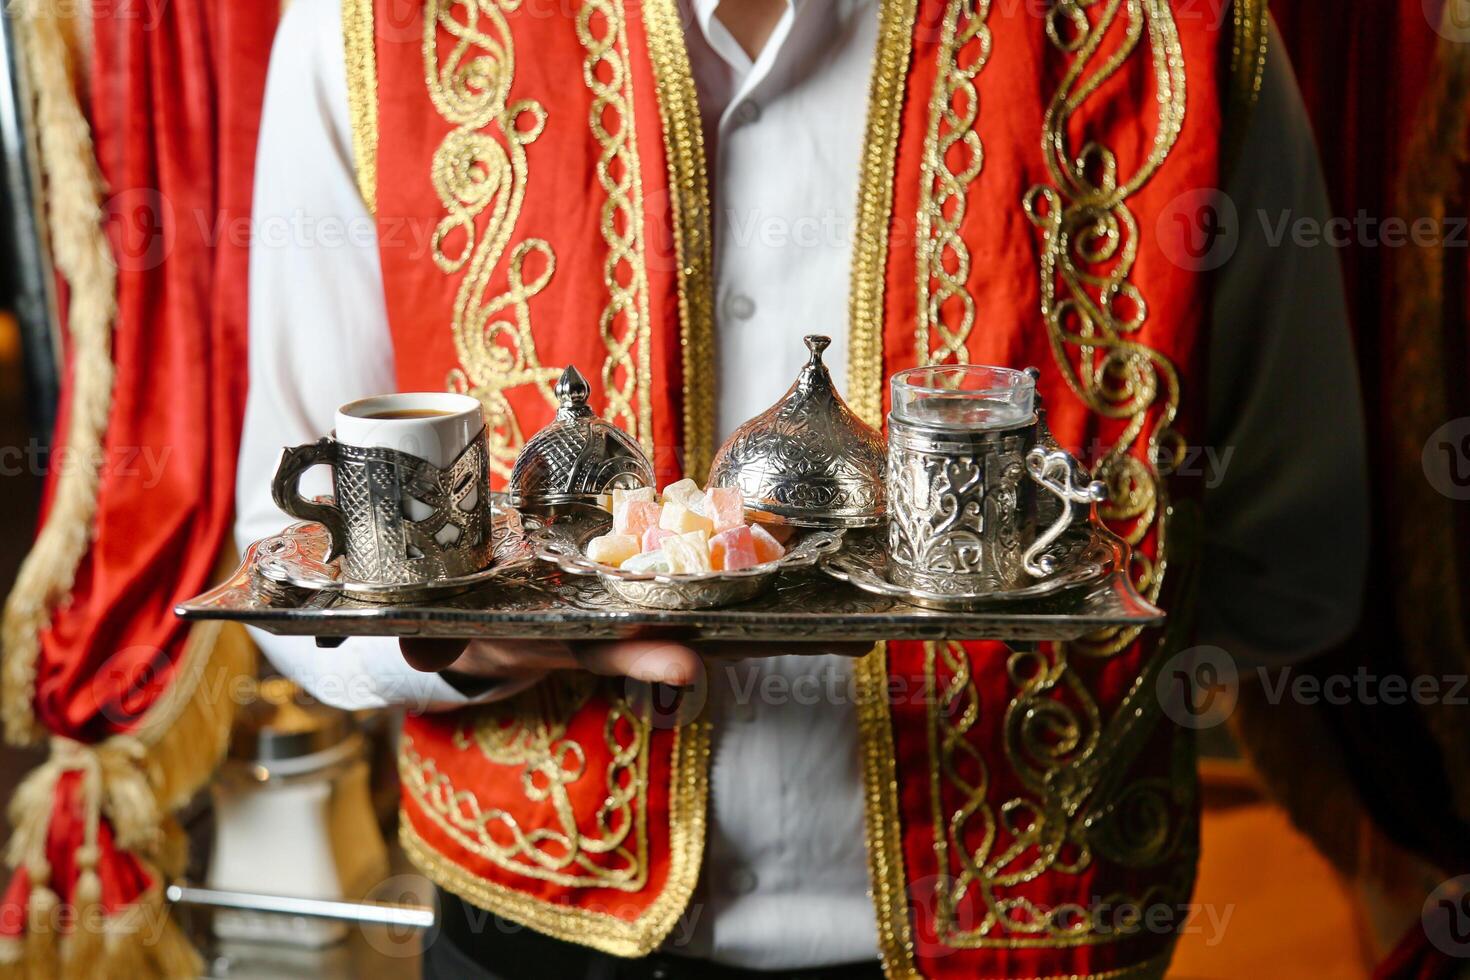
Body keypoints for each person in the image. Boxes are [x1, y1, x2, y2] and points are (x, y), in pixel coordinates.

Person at [237, 0, 1369, 976]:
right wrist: (465, 644)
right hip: (531, 924)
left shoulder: (1164, 34)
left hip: (1036, 926)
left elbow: (1292, 564)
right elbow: (290, 542)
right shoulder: (377, 27)